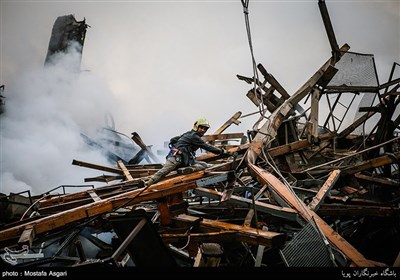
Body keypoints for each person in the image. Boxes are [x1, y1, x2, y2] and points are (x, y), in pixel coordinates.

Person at [145, 117, 234, 187]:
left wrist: (179, 146)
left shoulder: (189, 134)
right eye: (202, 128)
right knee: (163, 171)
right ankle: (147, 184)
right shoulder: (194, 137)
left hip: (186, 161)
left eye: (205, 129)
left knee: (204, 165)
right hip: (175, 159)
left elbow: (173, 139)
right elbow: (208, 147)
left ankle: (188, 169)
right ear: (197, 127)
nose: (203, 130)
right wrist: (224, 152)